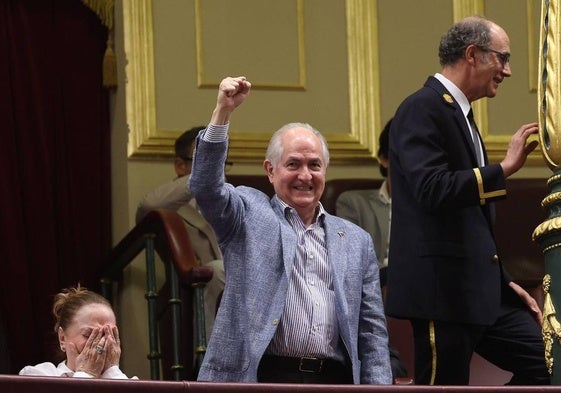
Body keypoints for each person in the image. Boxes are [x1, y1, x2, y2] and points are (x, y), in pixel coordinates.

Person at [189, 76, 392, 384]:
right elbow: (205, 187)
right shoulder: (246, 214)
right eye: (293, 164)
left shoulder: (355, 240)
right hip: (263, 378)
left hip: (333, 381)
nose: (305, 175)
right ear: (270, 170)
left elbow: (372, 333)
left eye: (314, 165)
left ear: (325, 170)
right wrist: (222, 113)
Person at [385, 16, 549, 385]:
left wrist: (503, 281)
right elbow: (432, 189)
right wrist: (503, 169)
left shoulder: (460, 113)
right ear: (473, 55)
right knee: (445, 388)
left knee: (549, 362)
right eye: (502, 58)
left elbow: (469, 220)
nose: (507, 71)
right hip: (441, 294)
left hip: (482, 291)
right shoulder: (421, 108)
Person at [136, 127, 225, 341]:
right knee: (216, 270)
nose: (216, 167)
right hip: (197, 283)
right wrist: (203, 177)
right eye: (204, 158)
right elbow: (149, 206)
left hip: (241, 278)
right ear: (180, 166)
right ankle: (207, 361)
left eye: (219, 159)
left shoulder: (230, 197)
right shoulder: (171, 204)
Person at [335, 119, 408, 380]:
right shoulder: (353, 202)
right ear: (384, 159)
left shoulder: (432, 208)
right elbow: (351, 261)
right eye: (403, 155)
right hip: (374, 286)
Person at [19, 285, 137, 379]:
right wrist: (86, 374)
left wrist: (111, 371)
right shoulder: (37, 375)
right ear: (62, 338)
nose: (100, 344)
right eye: (88, 335)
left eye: (108, 335)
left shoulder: (130, 383)